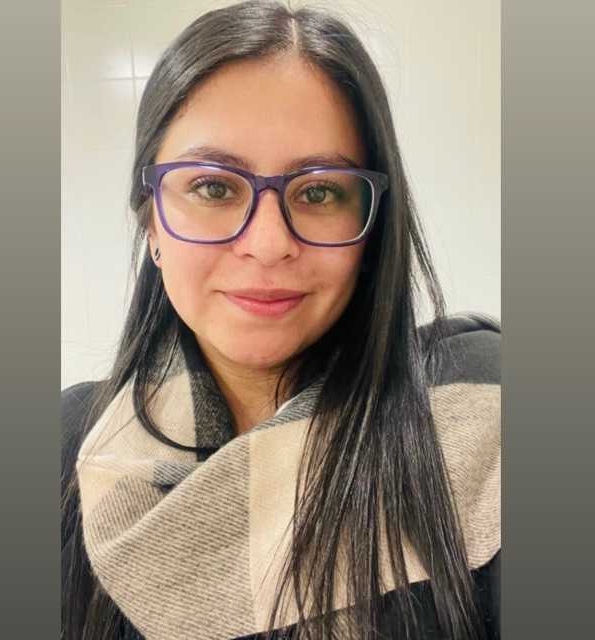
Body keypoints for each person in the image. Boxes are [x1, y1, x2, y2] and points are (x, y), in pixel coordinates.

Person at [61, 2, 501, 639]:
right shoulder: (64, 446)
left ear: (371, 228)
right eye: (214, 187)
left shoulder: (482, 415)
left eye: (319, 191)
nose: (268, 245)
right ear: (150, 220)